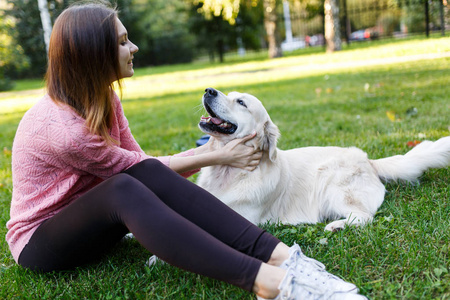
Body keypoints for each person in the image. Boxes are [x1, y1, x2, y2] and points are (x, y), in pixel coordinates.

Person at [6, 2, 367, 299]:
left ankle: (285, 257)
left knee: (138, 178)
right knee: (124, 186)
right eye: (122, 42)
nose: (133, 49)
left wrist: (207, 157)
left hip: (95, 223)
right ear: (93, 55)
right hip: (44, 244)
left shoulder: (105, 99)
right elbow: (131, 173)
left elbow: (146, 168)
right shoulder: (66, 131)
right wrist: (219, 155)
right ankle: (266, 281)